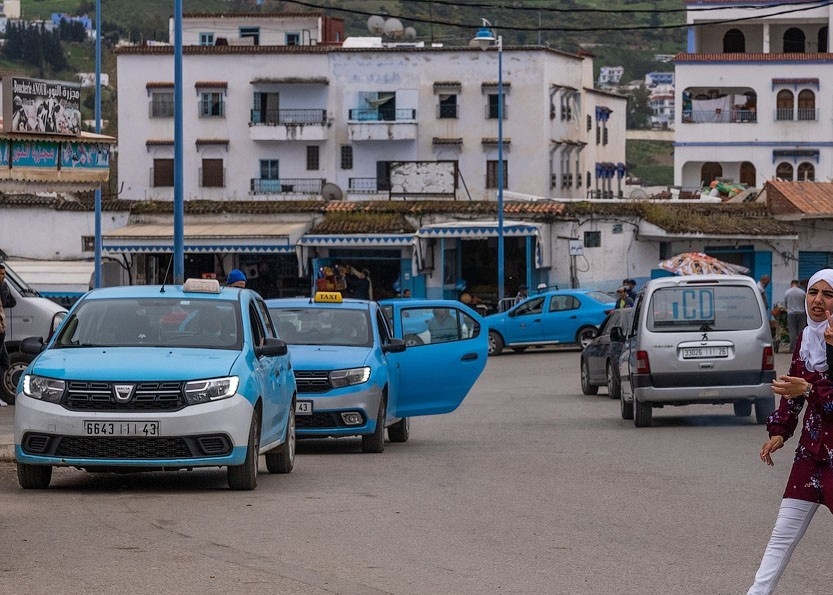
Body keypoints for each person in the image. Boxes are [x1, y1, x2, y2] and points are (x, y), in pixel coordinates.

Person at [747, 268, 833, 594]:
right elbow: (791, 387)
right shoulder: (805, 340)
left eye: (828, 294)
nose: (818, 301)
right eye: (813, 293)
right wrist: (780, 430)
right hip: (811, 455)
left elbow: (810, 391)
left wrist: (809, 390)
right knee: (781, 536)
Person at [0, 264, 17, 407]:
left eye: (4, 274)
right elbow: (8, 302)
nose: (3, 277)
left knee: (5, 362)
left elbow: (12, 301)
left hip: (2, 330)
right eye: (1, 274)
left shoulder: (4, 286)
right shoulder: (2, 287)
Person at [783, 279, 807, 353]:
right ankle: (801, 348)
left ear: (791, 284)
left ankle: (792, 349)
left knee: (792, 331)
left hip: (791, 314)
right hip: (802, 313)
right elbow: (805, 304)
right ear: (798, 284)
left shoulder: (787, 292)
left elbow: (785, 305)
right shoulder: (802, 293)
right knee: (801, 331)